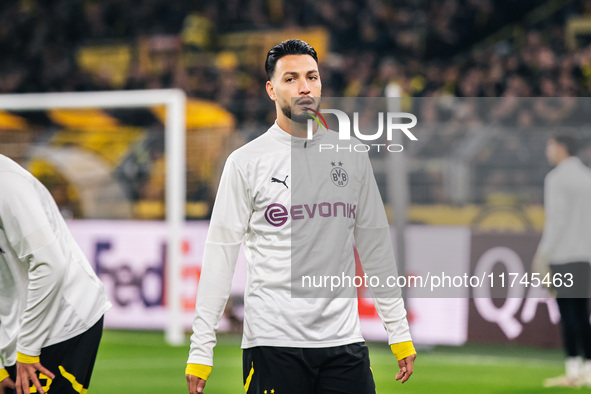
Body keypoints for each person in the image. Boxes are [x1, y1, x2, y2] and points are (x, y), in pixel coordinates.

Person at [186, 39, 416, 394]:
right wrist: (202, 348)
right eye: (291, 79)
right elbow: (220, 255)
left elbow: (376, 248)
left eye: (312, 77)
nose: (304, 87)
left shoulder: (351, 154)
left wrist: (398, 332)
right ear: (271, 89)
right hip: (272, 343)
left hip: (343, 344)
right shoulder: (246, 162)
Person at [0, 154, 111, 394]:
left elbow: (50, 265)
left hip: (63, 322)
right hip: (14, 334)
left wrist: (28, 349)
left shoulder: (7, 183)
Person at [533, 133, 591, 388]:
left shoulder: (556, 179)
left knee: (568, 314)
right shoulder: (587, 177)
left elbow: (556, 221)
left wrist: (542, 255)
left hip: (562, 255)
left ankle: (573, 371)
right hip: (584, 256)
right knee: (582, 314)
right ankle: (588, 369)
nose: (548, 150)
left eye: (550, 145)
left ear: (562, 147)